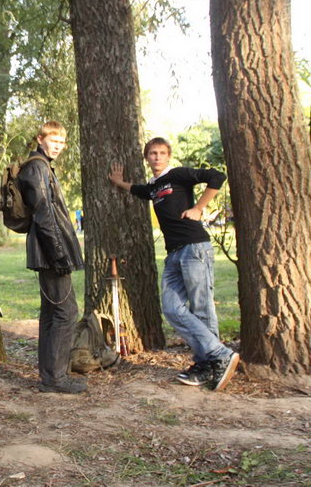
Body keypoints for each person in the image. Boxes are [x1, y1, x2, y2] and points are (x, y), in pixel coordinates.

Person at [109, 137, 239, 391]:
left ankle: (208, 364)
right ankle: (218, 354)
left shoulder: (178, 175)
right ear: (147, 158)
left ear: (168, 156)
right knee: (171, 307)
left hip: (194, 248)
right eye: (152, 153)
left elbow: (216, 177)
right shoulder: (154, 186)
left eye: (161, 153)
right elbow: (139, 190)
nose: (157, 157)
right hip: (174, 254)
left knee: (201, 308)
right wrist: (119, 182)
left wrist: (199, 207)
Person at [18, 121, 87, 394]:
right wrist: (59, 255)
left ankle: (50, 376)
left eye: (61, 142)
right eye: (53, 141)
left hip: (47, 250)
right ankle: (56, 378)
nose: (58, 146)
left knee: (51, 313)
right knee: (66, 312)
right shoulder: (37, 167)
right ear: (40, 138)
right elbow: (44, 214)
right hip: (49, 252)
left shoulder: (42, 166)